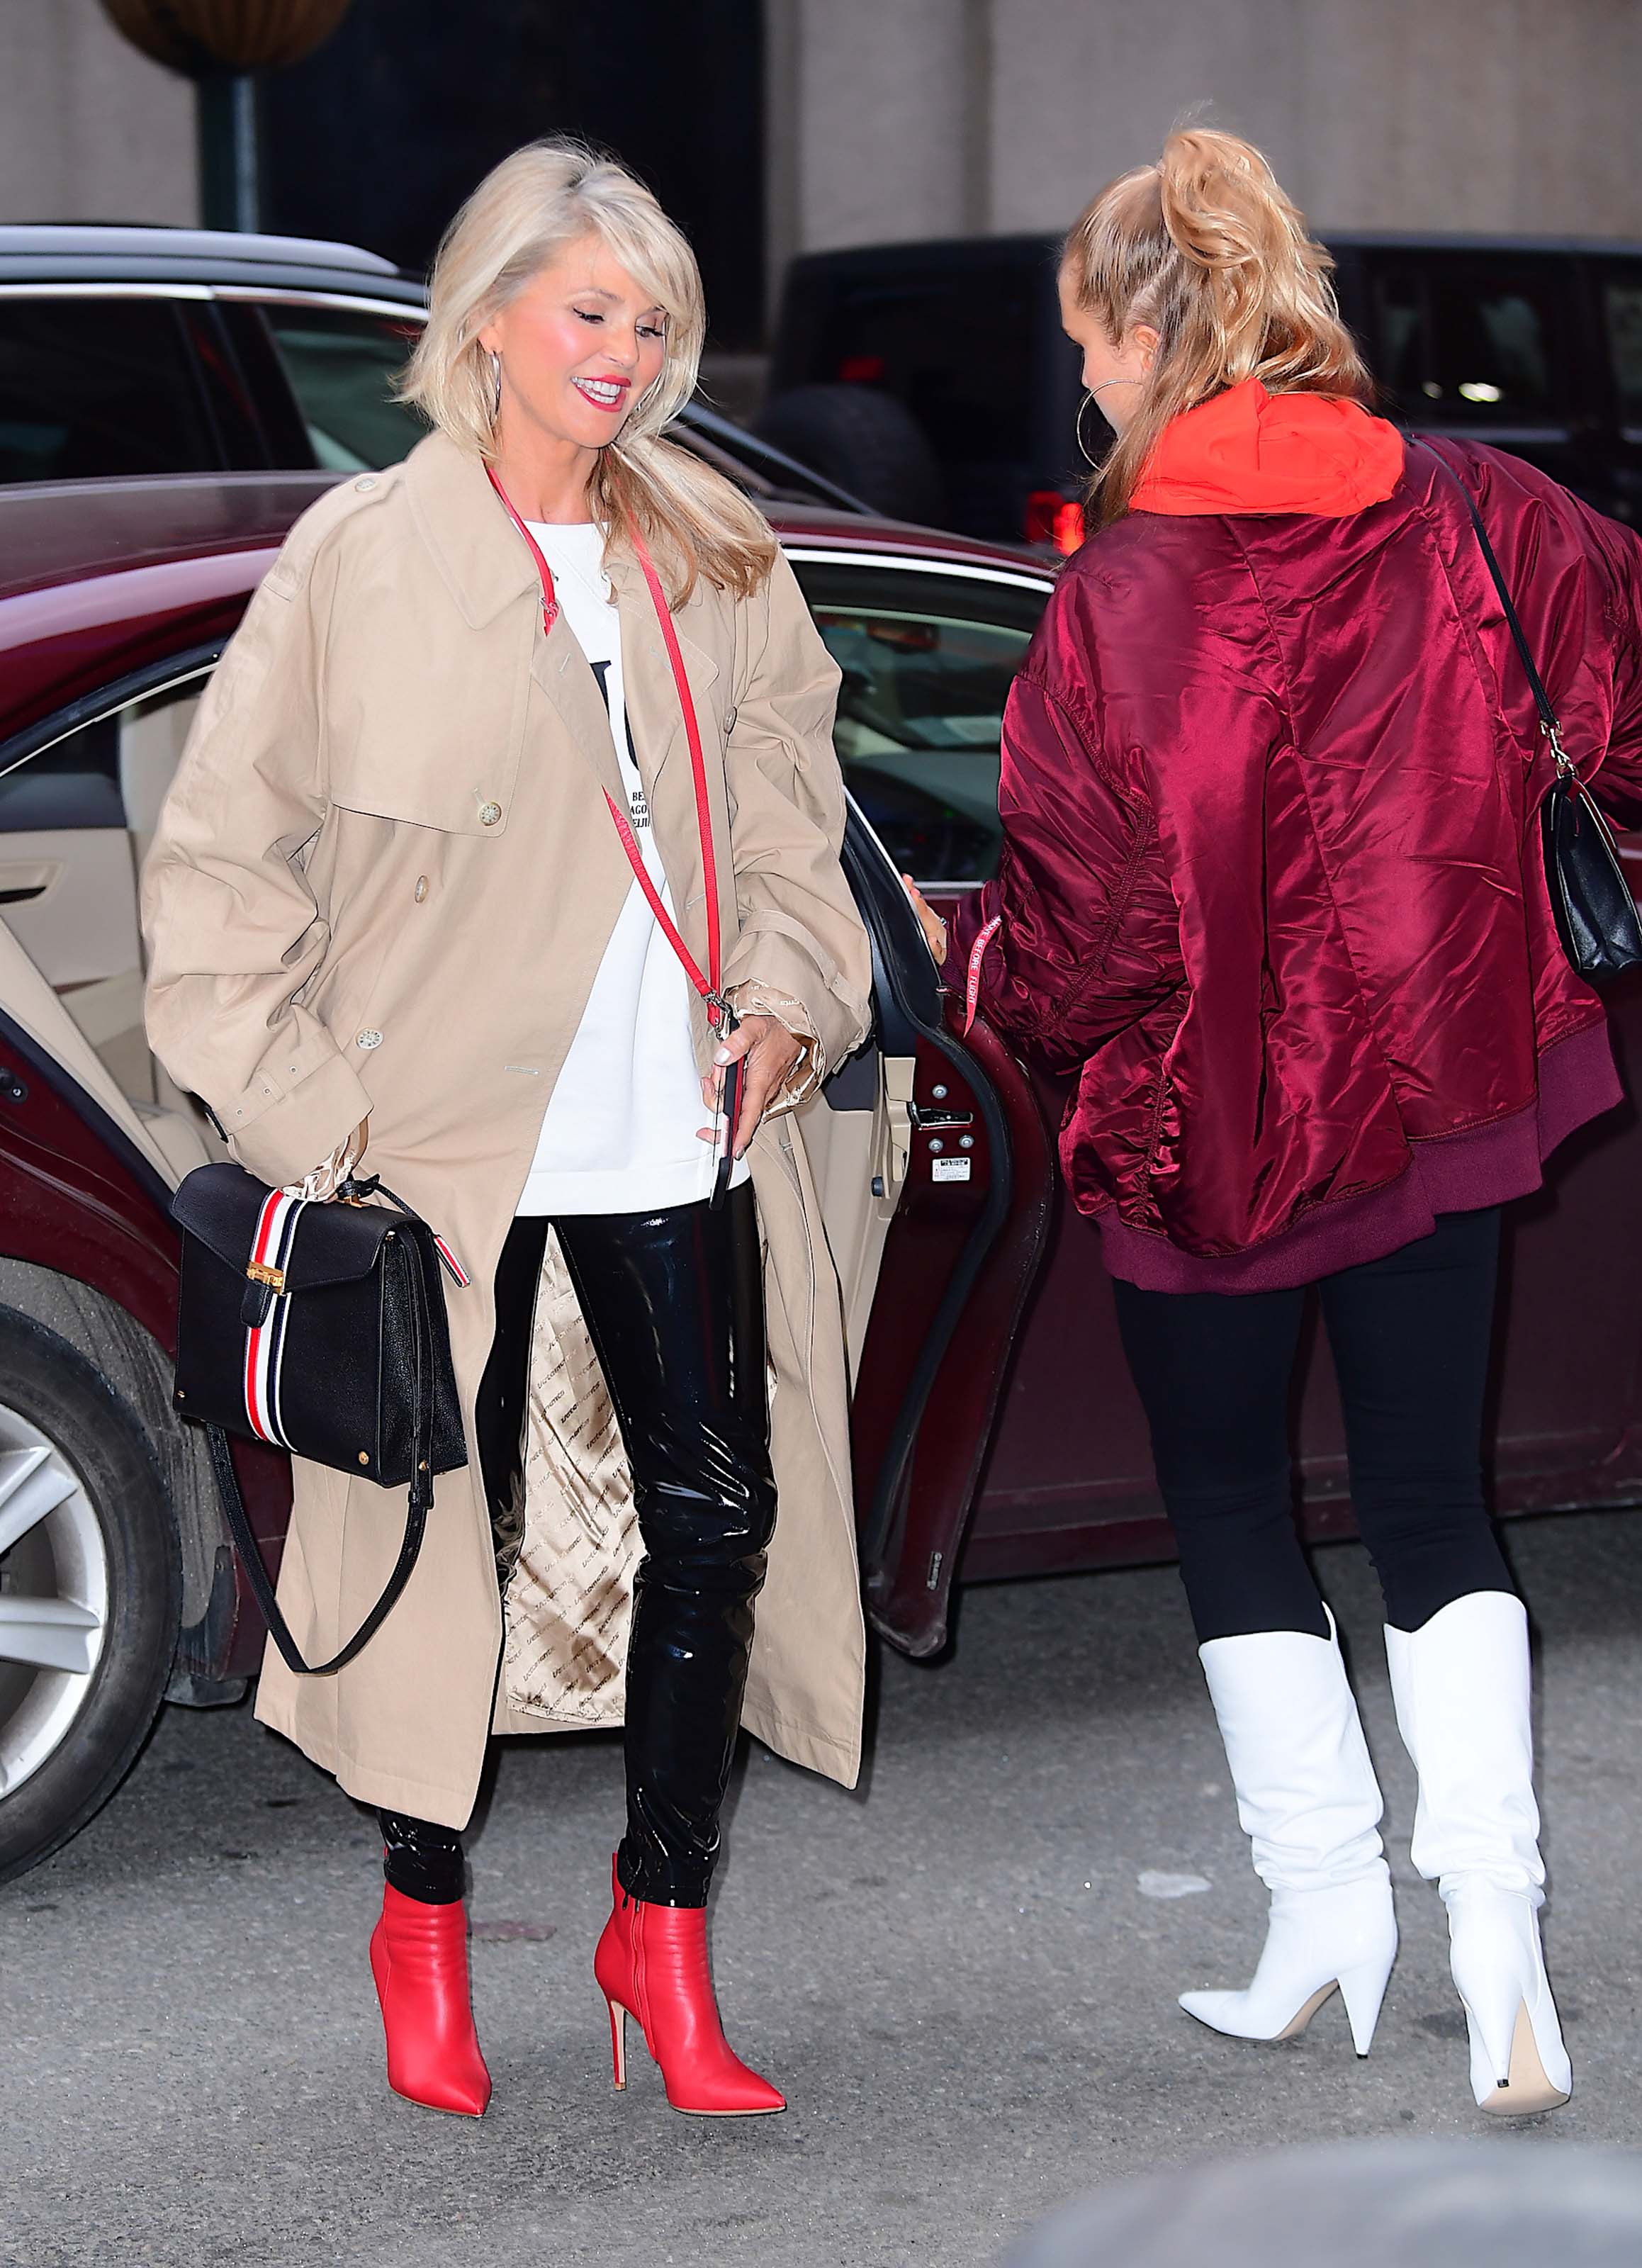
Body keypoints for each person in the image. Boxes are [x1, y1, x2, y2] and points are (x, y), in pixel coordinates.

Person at [909, 125, 1642, 2117]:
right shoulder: (1480, 506)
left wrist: (968, 989)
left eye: (1092, 347)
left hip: (1208, 1132)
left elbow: (1082, 940)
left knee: (1233, 1502)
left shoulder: (1115, 595)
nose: (1088, 385)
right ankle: (1496, 1944)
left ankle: (1326, 1921)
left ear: (1145, 345)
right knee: (1434, 1501)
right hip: (1446, 1090)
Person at [142, 139, 872, 2121]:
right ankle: (423, 1917)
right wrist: (319, 1114)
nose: (622, 353)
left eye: (652, 321)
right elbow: (217, 872)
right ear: (486, 323)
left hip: (674, 1120)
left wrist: (794, 1001)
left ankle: (664, 1926)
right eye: (587, 312)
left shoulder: (717, 553)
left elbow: (799, 811)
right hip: (435, 1144)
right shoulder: (363, 559)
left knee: (722, 1516)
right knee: (429, 1532)